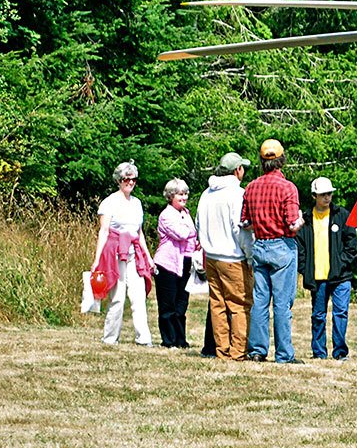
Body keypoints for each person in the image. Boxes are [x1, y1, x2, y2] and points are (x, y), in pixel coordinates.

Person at [242, 138, 304, 363]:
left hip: (260, 245)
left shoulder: (251, 187)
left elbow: (245, 222)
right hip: (282, 246)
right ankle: (284, 354)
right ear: (282, 160)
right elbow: (292, 224)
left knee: (260, 301)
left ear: (262, 161)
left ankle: (257, 351)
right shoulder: (288, 188)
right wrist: (302, 220)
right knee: (282, 303)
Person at [197, 152, 253, 360]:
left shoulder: (207, 193)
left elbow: (198, 223)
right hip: (233, 257)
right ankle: (238, 351)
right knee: (239, 305)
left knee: (217, 304)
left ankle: (222, 350)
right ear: (237, 170)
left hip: (211, 256)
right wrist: (250, 255)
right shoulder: (238, 194)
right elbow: (240, 229)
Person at [296, 177, 357, 360]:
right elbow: (299, 247)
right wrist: (304, 268)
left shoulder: (342, 215)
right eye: (323, 194)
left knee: (341, 313)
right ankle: (319, 352)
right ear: (314, 196)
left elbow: (352, 245)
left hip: (341, 276)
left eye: (329, 194)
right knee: (318, 315)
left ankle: (340, 352)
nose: (327, 197)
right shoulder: (306, 219)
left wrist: (341, 263)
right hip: (317, 276)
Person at [92, 161, 154, 346]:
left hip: (135, 254)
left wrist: (148, 257)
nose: (130, 182)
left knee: (138, 296)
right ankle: (110, 338)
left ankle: (144, 338)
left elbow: (139, 233)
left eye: (133, 179)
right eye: (127, 179)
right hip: (115, 254)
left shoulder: (137, 203)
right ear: (119, 180)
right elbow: (104, 231)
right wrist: (97, 260)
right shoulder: (109, 202)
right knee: (117, 297)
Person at [153, 178, 199, 348]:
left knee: (181, 303)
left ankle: (181, 339)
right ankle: (169, 340)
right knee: (168, 304)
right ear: (171, 196)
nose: (184, 197)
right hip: (167, 264)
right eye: (180, 194)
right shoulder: (166, 215)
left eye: (185, 193)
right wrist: (191, 231)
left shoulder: (185, 213)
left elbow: (193, 236)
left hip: (185, 262)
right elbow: (182, 234)